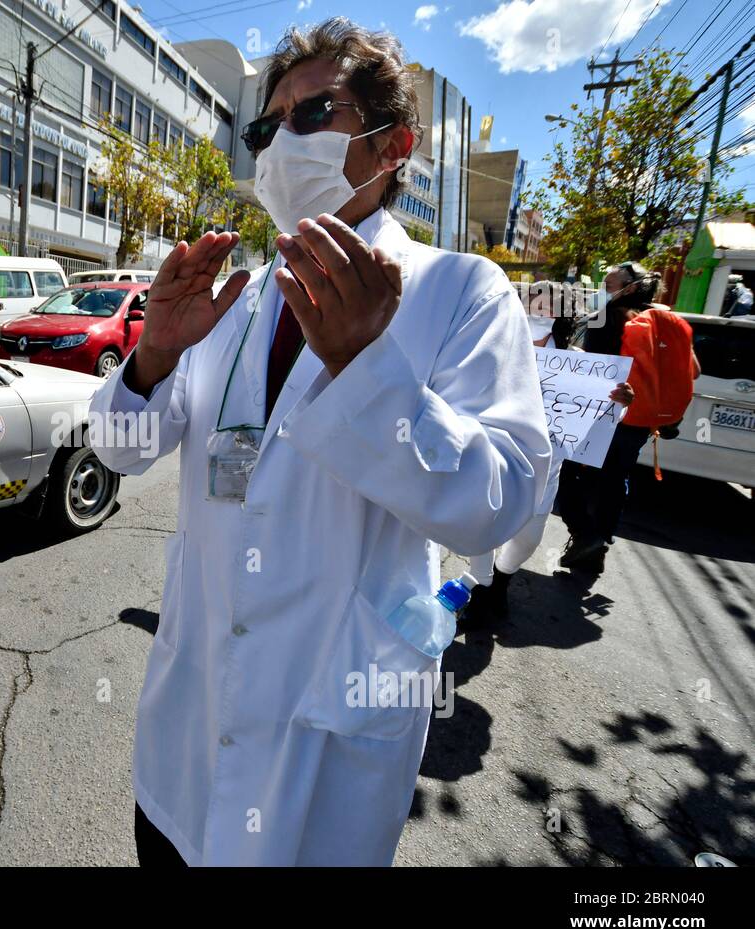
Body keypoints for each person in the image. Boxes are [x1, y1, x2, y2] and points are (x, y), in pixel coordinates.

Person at [88, 18, 550, 866]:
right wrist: (152, 356)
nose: (279, 143)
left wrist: (367, 369)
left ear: (392, 145)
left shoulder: (459, 291)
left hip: (328, 743)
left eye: (314, 114)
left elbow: (505, 505)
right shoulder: (233, 301)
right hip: (189, 730)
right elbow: (118, 450)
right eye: (267, 126)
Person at [463, 281, 631, 625]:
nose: (539, 312)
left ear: (561, 316)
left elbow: (603, 415)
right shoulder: (497, 348)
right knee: (482, 528)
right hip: (492, 461)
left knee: (528, 539)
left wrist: (621, 402)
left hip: (544, 470)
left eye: (548, 307)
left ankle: (501, 578)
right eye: (533, 305)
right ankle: (481, 592)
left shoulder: (579, 363)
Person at [556, 262, 696, 573]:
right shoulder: (668, 320)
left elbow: (594, 373)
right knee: (615, 478)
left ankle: (586, 534)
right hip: (642, 420)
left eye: (608, 285)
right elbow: (694, 370)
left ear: (629, 287)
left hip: (604, 415)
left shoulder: (607, 319)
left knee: (566, 474)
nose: (603, 291)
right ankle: (599, 541)